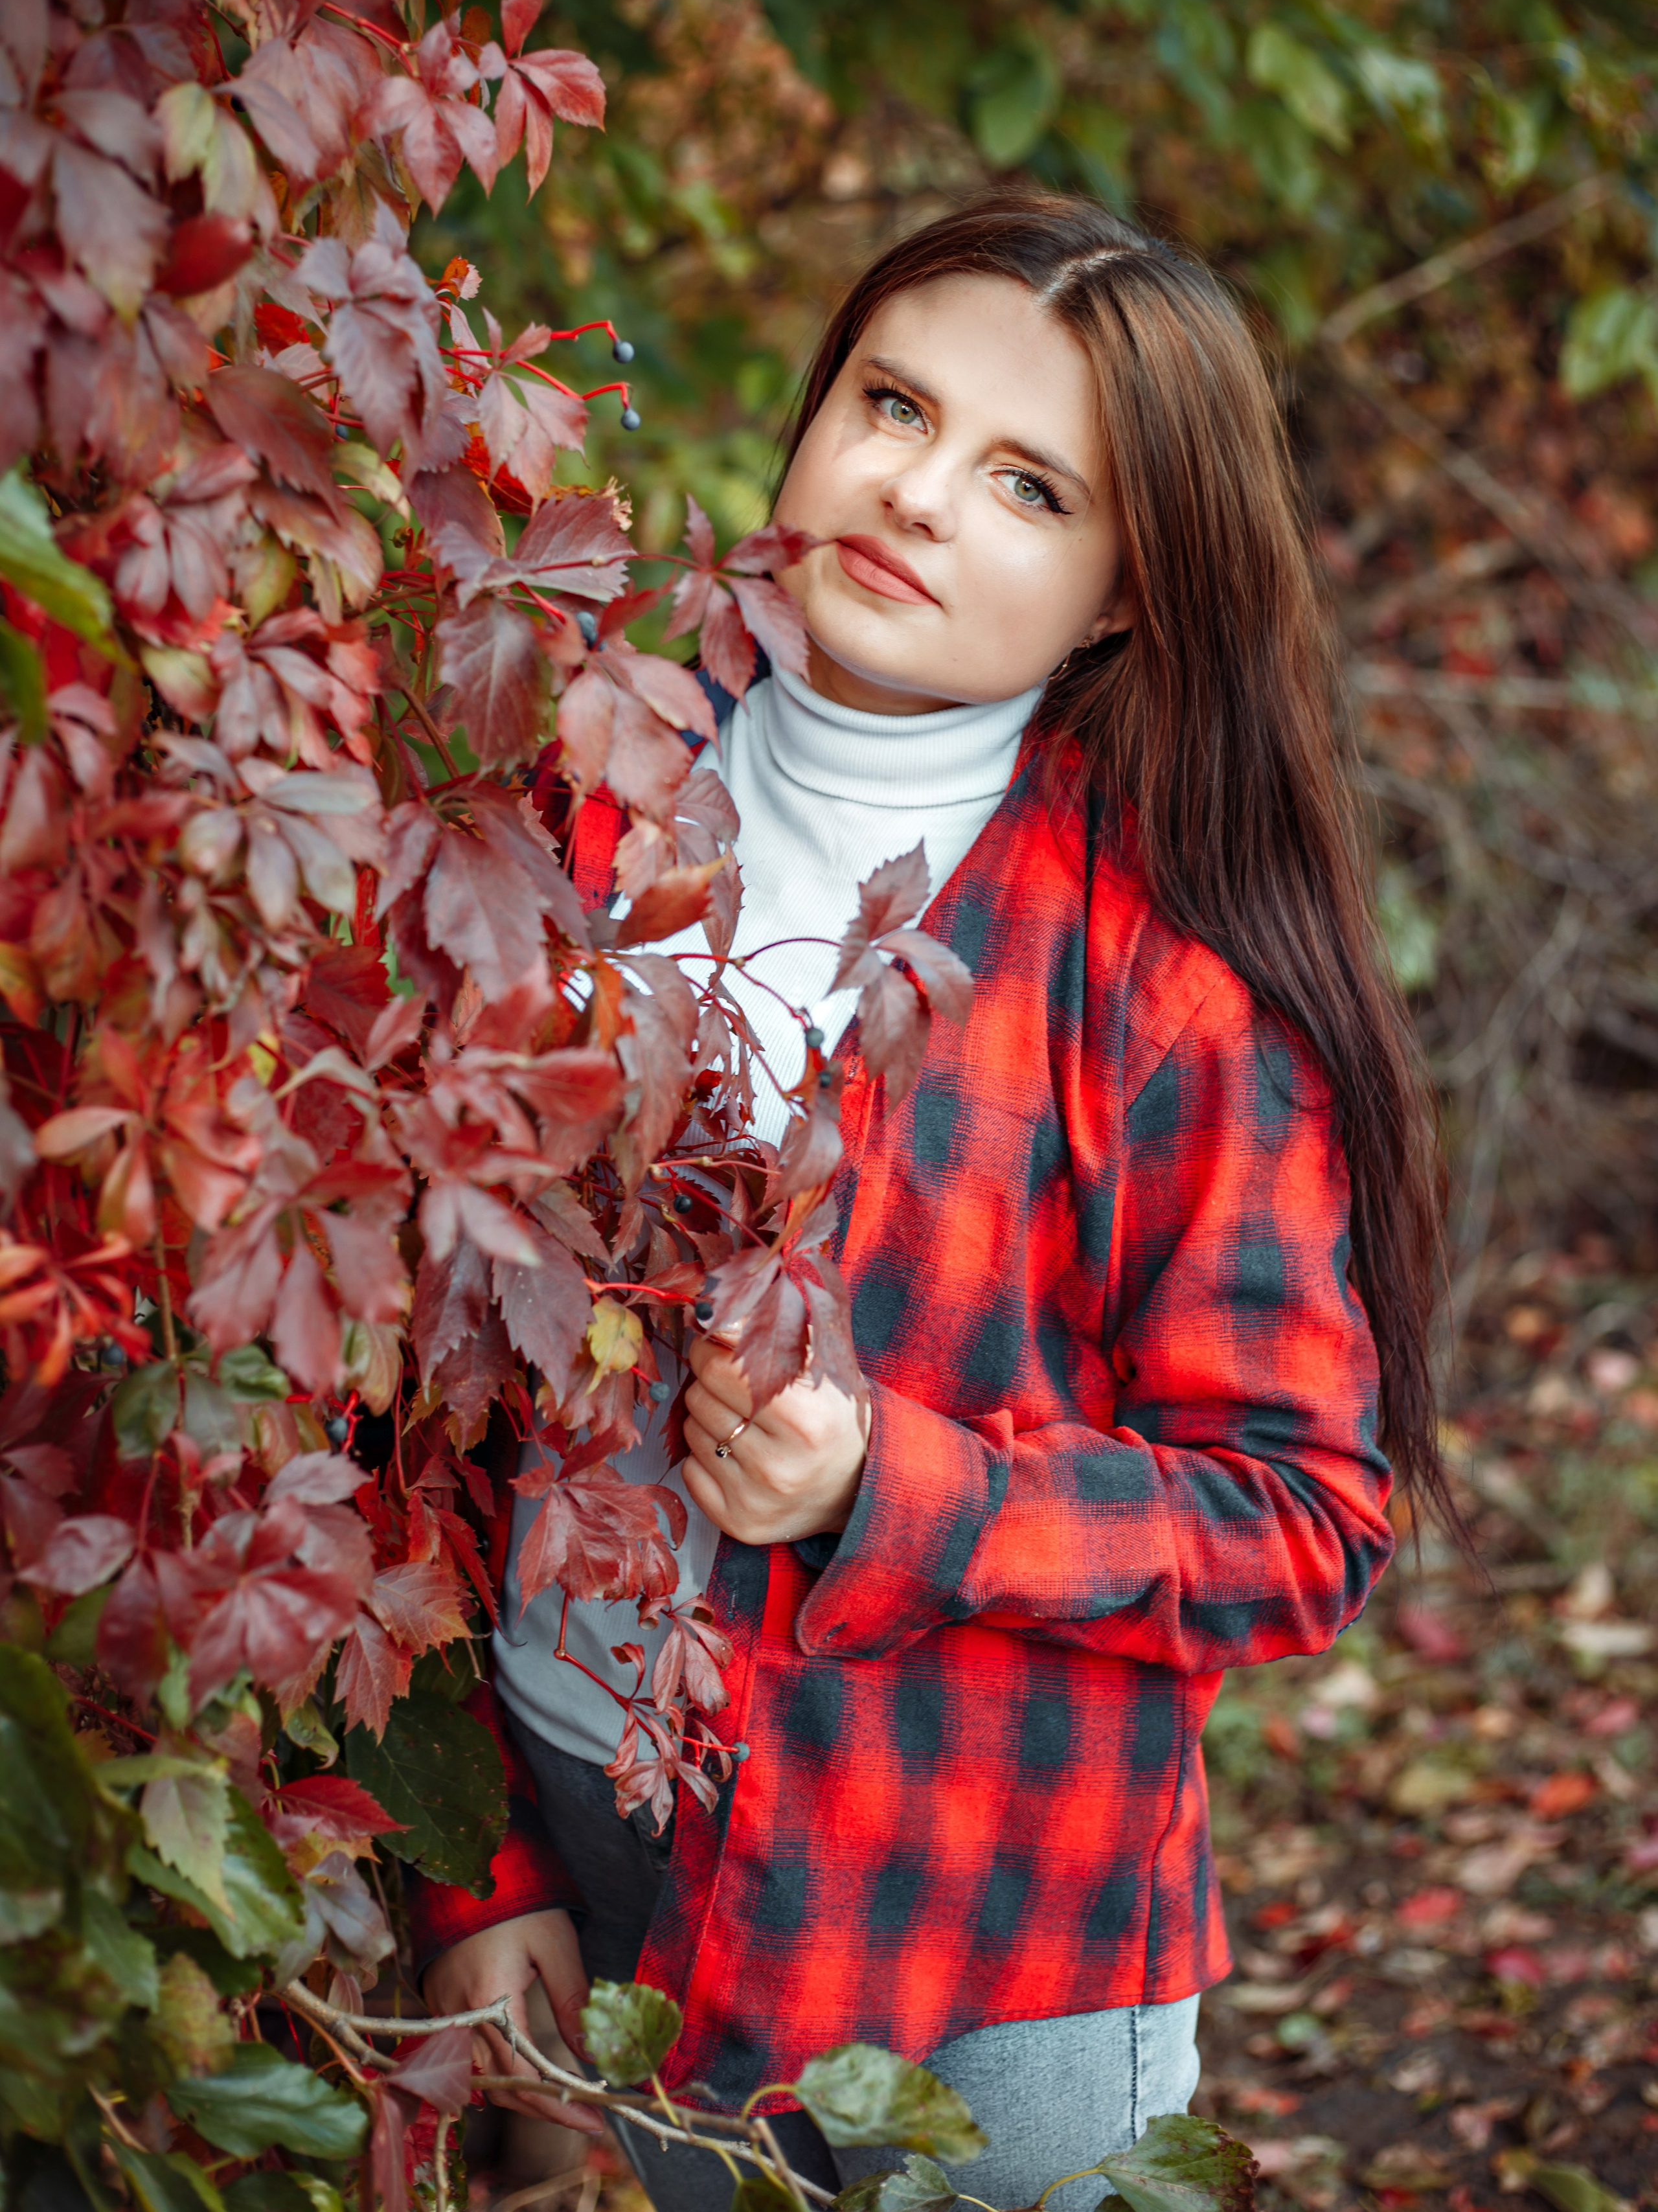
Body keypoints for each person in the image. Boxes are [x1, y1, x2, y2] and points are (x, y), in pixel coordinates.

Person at [414, 194, 1444, 2211]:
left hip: (956, 1955)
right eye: (892, 401)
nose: (913, 490)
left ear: (1127, 593)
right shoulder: (571, 803)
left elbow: (1305, 1517)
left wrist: (891, 1484)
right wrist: (466, 1854)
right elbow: (384, 1384)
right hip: (544, 1833)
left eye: (1028, 484)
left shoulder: (1161, 990)